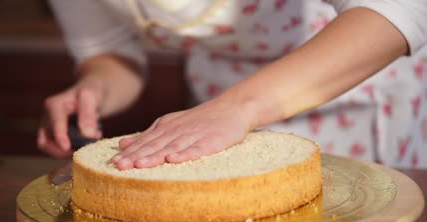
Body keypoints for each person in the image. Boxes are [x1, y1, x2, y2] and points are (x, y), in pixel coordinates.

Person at [38, 0, 427, 169]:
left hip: (352, 95)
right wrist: (95, 87)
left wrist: (238, 108)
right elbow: (109, 51)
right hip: (211, 116)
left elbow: (398, 8)